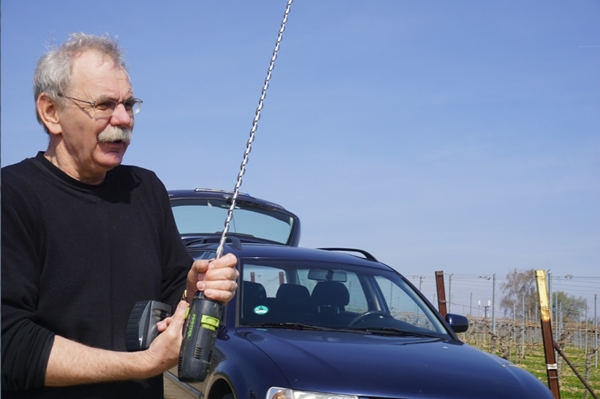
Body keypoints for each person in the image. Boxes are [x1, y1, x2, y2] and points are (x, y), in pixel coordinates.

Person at [1, 32, 239, 398]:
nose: (124, 119)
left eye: (129, 104)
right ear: (51, 112)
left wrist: (194, 289)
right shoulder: (12, 196)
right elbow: (11, 348)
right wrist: (144, 364)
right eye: (104, 105)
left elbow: (173, 302)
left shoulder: (146, 189)